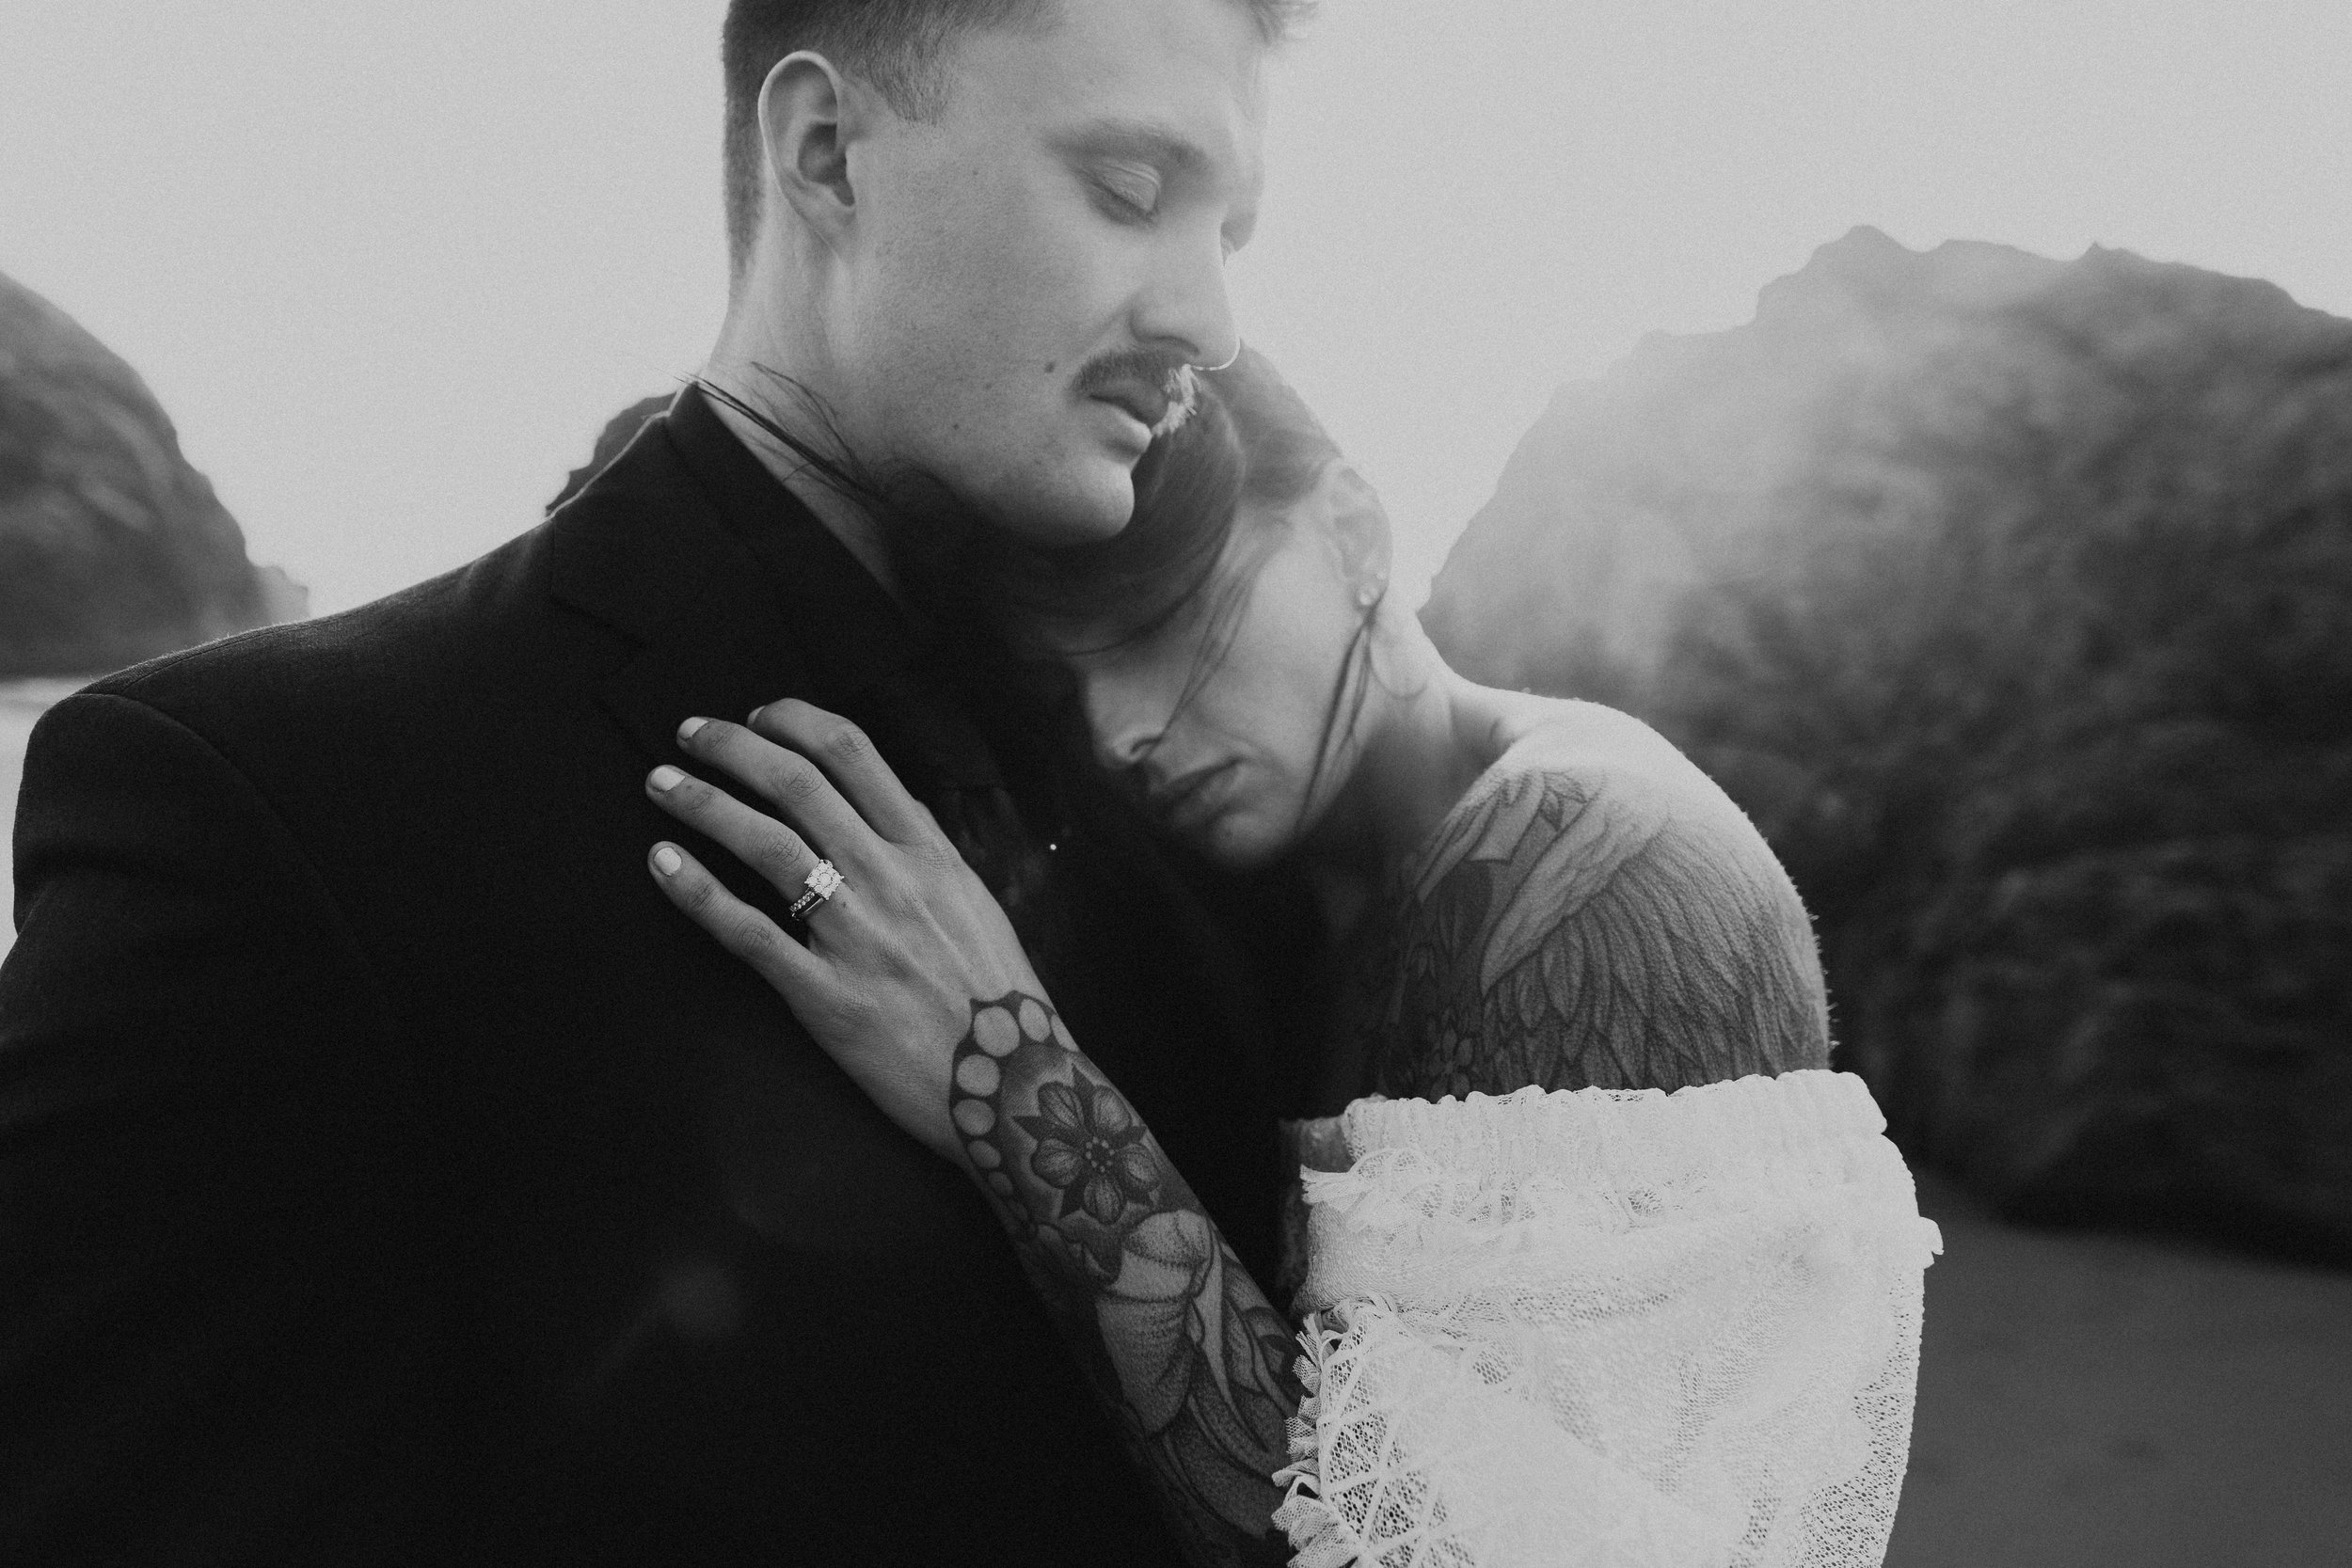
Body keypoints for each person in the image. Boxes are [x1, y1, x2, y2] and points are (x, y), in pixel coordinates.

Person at [0, 4, 1311, 1562]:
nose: (1212, 322)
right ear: (826, 154)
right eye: (1127, 189)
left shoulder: (1187, 804)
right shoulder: (267, 805)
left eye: (1228, 231)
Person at [638, 352, 1934, 1562]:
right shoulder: (1313, 893)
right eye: (1069, 691)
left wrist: (1009, 1072)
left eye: (1163, 626)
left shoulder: (1585, 871)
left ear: (1356, 536)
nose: (1123, 735)